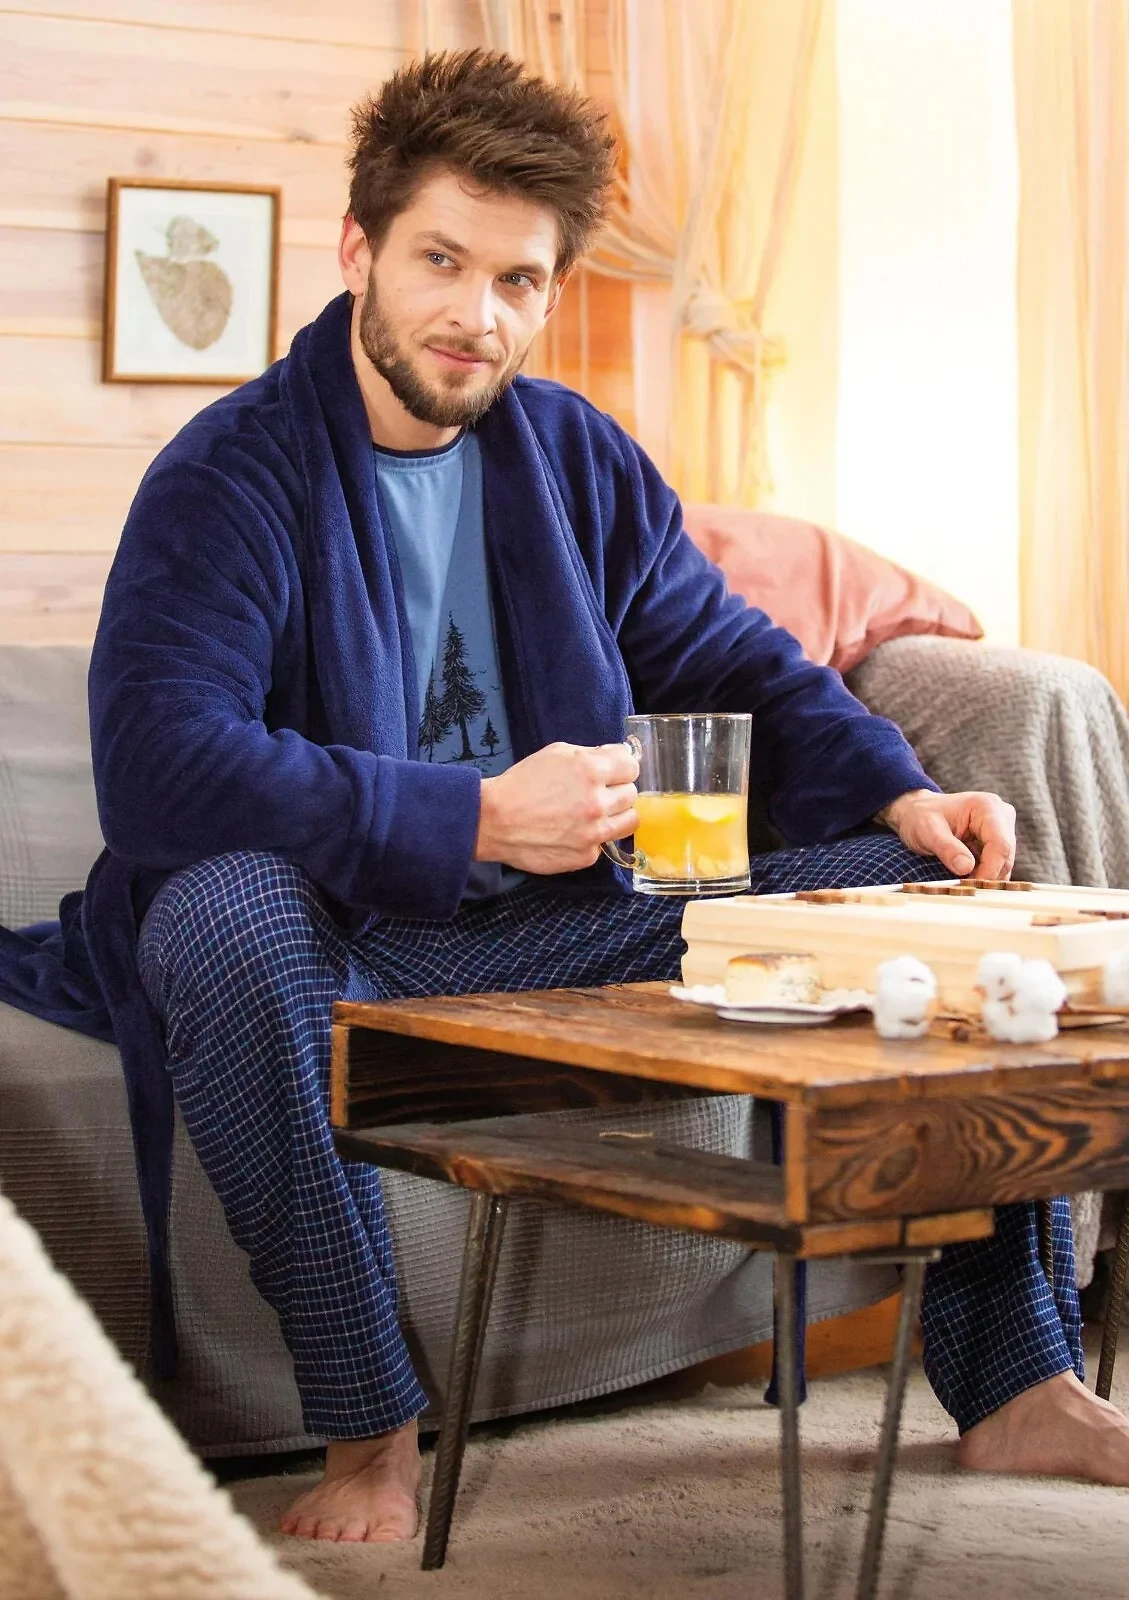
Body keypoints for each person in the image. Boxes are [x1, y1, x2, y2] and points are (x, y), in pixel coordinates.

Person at [61, 49, 1129, 1543]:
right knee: (218, 913)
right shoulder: (229, 476)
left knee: (925, 899)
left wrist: (899, 794)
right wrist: (472, 818)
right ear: (359, 248)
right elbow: (161, 763)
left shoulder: (573, 456)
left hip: (571, 927)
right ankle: (369, 1430)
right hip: (351, 945)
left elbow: (731, 658)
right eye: (441, 261)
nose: (476, 315)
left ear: (551, 289)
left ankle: (1015, 1378)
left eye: (517, 280)